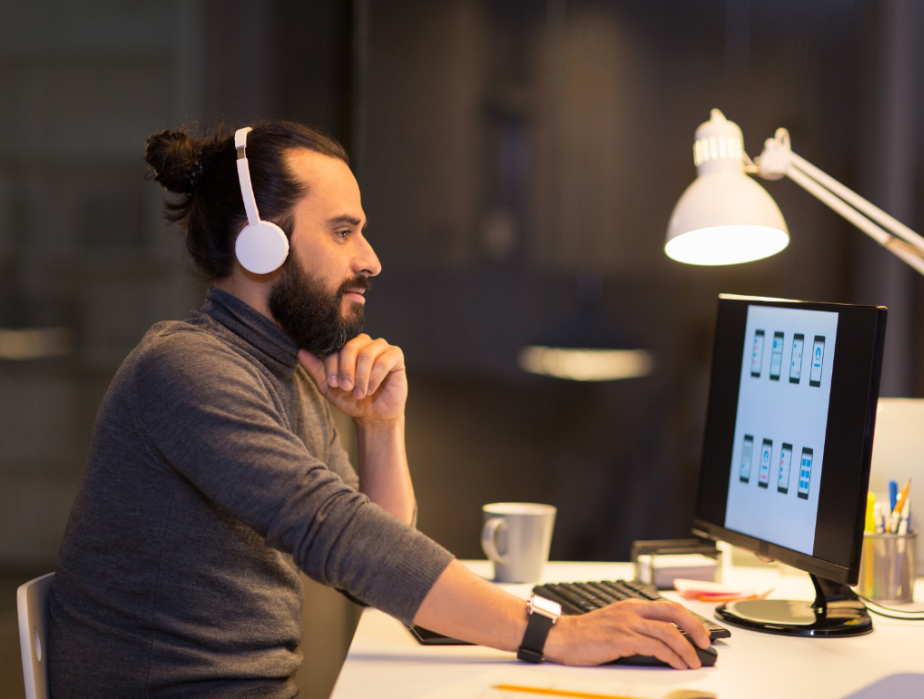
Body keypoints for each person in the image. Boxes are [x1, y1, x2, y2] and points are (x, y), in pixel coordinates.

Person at [47, 121, 710, 698]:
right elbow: (336, 531)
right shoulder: (186, 370)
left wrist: (381, 427)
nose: (370, 259)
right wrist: (557, 633)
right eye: (343, 232)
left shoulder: (280, 374)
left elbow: (373, 571)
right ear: (261, 246)